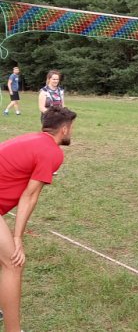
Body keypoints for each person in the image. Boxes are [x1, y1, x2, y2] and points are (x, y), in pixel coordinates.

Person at [0, 106, 77, 332]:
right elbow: (30, 196)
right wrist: (17, 238)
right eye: (72, 128)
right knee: (13, 263)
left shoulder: (31, 139)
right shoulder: (52, 152)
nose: (72, 132)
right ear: (64, 129)